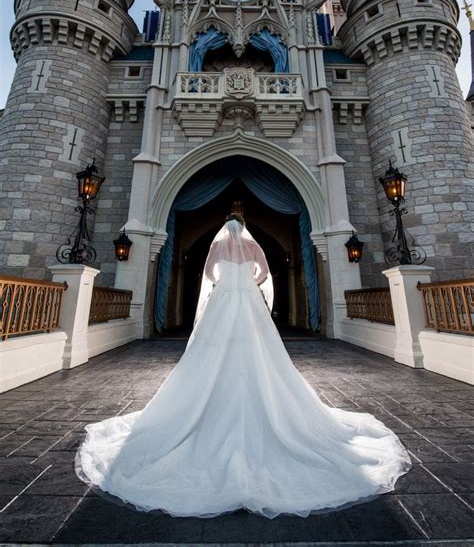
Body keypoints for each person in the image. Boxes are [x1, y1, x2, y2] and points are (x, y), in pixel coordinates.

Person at [75, 214, 411, 519]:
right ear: (245, 229)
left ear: (225, 229)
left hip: (224, 300)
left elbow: (208, 274)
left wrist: (223, 280)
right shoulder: (252, 246)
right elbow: (265, 272)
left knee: (212, 351)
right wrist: (251, 279)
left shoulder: (218, 246)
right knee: (260, 350)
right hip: (248, 300)